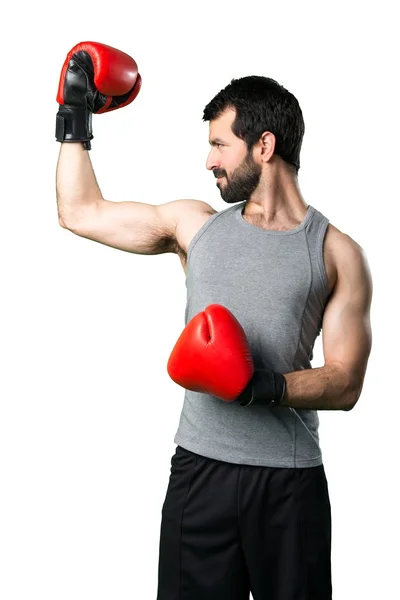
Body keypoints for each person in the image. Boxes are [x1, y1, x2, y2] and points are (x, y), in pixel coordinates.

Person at [55, 42, 373, 600]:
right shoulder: (194, 227)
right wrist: (74, 117)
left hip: (290, 483)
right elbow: (79, 213)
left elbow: (346, 383)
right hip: (200, 474)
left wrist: (258, 387)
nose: (209, 162)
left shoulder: (336, 252)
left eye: (220, 145)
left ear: (264, 146)